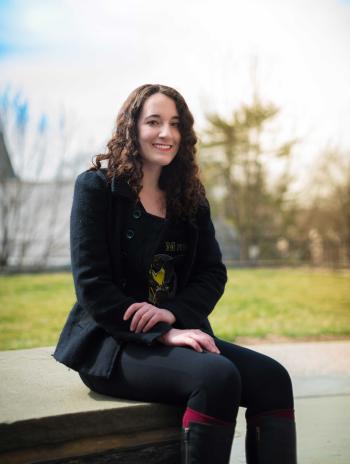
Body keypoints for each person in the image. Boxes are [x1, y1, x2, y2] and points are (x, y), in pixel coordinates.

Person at [53, 84, 297, 464]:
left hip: (174, 330)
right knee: (216, 377)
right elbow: (92, 285)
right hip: (112, 344)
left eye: (175, 124)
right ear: (132, 128)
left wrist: (173, 315)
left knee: (273, 379)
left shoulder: (190, 198)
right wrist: (161, 332)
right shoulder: (96, 188)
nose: (166, 133)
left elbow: (212, 274)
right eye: (154, 122)